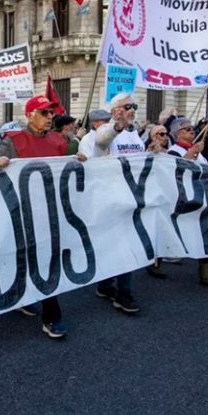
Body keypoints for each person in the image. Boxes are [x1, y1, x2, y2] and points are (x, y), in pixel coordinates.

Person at [0, 95, 84, 339]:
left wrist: (81, 159)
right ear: (29, 114)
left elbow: (71, 165)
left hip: (50, 213)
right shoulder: (13, 141)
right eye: (44, 113)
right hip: (21, 213)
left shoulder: (58, 140)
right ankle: (21, 297)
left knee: (46, 260)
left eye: (51, 113)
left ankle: (52, 316)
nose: (49, 117)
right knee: (24, 258)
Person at [90, 93, 144, 311]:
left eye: (134, 106)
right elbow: (102, 139)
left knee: (121, 244)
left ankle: (105, 284)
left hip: (133, 196)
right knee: (125, 246)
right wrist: (117, 126)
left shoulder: (134, 135)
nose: (132, 110)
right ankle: (124, 293)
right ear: (115, 111)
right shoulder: (107, 129)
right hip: (112, 199)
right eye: (127, 106)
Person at [165, 117, 208, 287]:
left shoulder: (197, 151)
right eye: (187, 129)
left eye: (192, 129)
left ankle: (207, 271)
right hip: (185, 199)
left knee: (207, 230)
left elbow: (204, 168)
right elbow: (179, 168)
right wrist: (192, 152)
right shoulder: (173, 151)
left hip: (203, 196)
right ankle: (157, 260)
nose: (192, 131)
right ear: (177, 134)